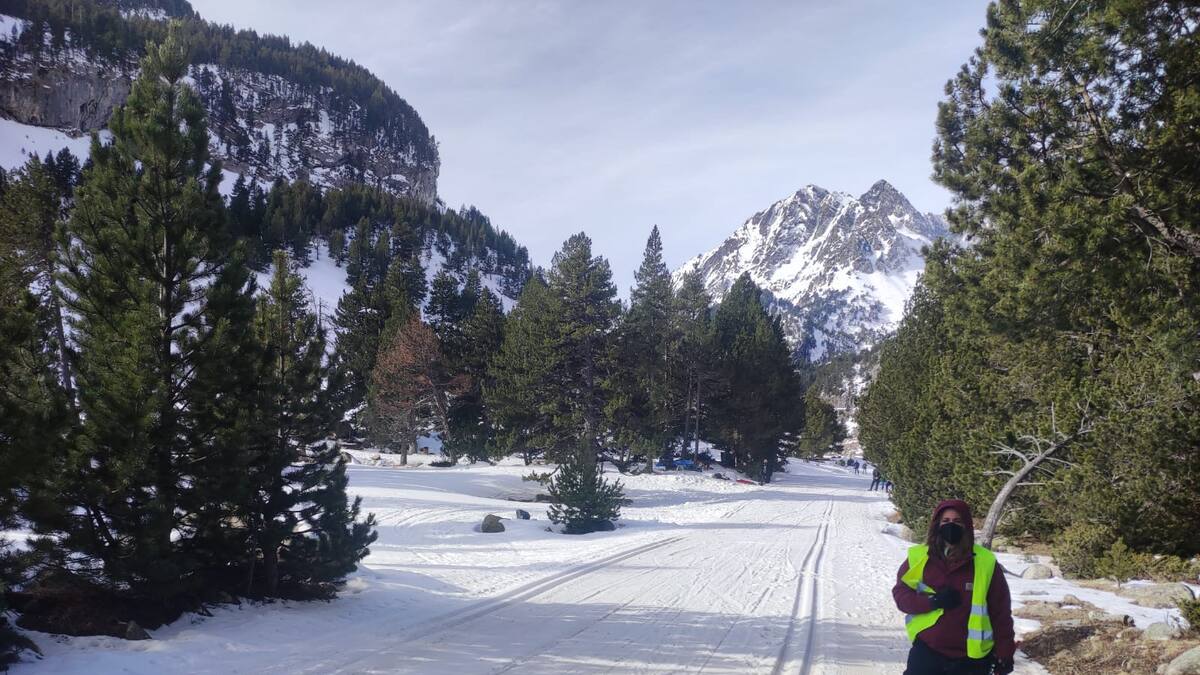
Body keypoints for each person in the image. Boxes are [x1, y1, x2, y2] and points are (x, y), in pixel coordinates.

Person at [892, 500, 1015, 675]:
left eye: (957, 521)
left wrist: (1005, 651)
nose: (951, 525)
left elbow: (1000, 611)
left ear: (967, 526)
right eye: (945, 521)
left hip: (972, 660)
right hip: (928, 651)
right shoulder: (920, 557)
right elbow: (901, 595)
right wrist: (932, 602)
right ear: (937, 525)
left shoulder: (985, 562)